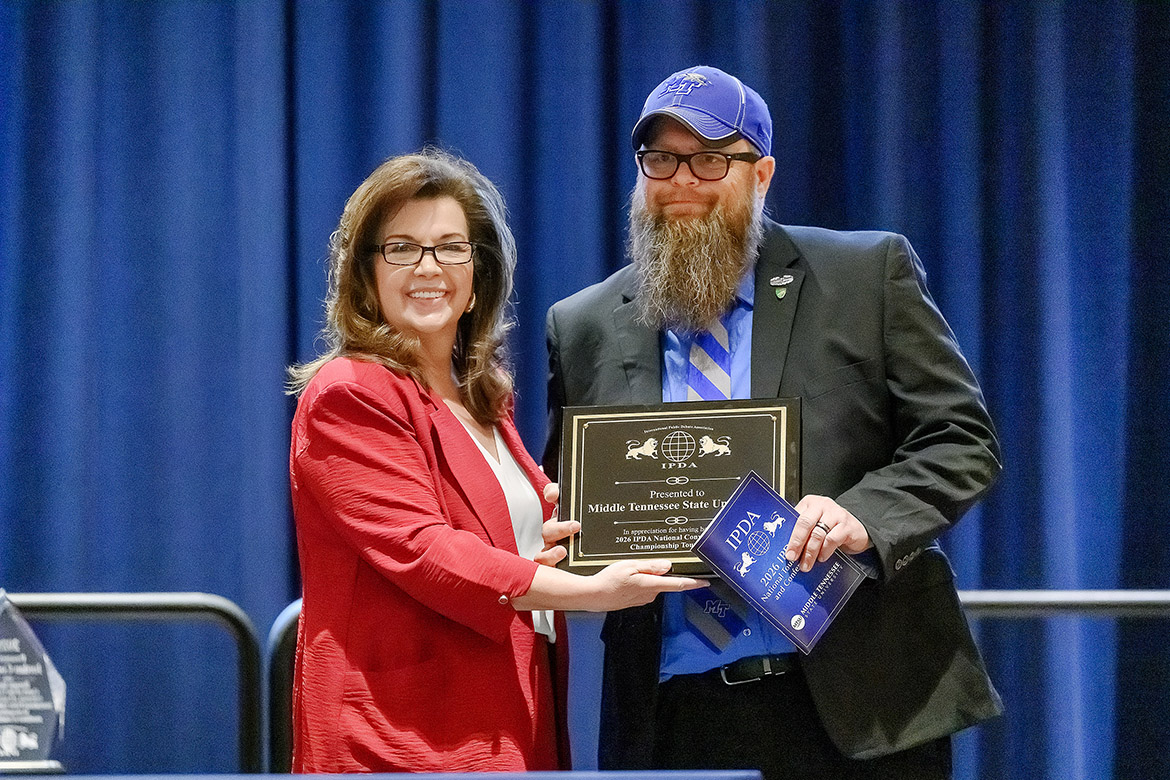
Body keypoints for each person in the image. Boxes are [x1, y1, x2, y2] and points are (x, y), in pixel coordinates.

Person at [543, 66, 1003, 780]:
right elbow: (566, 499)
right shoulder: (583, 326)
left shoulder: (862, 275)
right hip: (676, 716)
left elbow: (962, 440)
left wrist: (860, 517)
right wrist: (563, 537)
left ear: (761, 174)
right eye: (660, 159)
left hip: (859, 705)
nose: (682, 181)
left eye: (710, 159)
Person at [286, 149, 704, 773]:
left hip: (509, 715)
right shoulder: (350, 391)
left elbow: (493, 541)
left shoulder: (485, 402)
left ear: (477, 273)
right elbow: (425, 550)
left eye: (450, 247)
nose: (429, 267)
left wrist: (564, 535)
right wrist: (587, 592)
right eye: (402, 248)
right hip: (401, 736)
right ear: (366, 273)